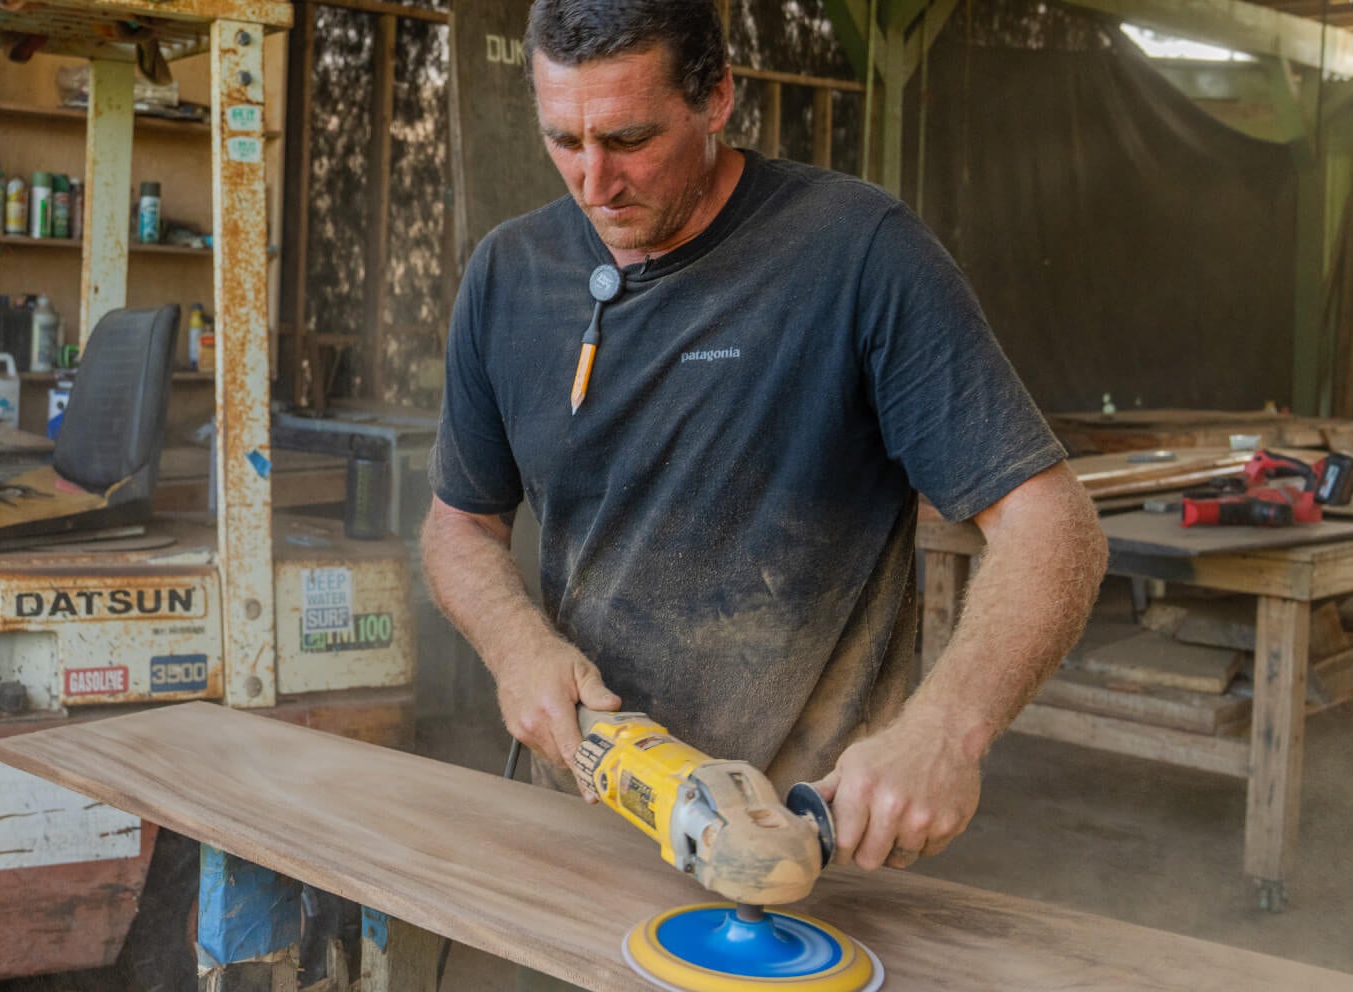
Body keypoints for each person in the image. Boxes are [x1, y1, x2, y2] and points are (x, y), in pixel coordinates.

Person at [423, 0, 1107, 930]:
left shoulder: (856, 255)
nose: (595, 180)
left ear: (717, 100)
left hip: (813, 851)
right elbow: (460, 521)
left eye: (629, 138)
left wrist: (944, 733)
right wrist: (518, 647)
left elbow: (1050, 523)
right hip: (593, 812)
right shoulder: (508, 272)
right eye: (565, 139)